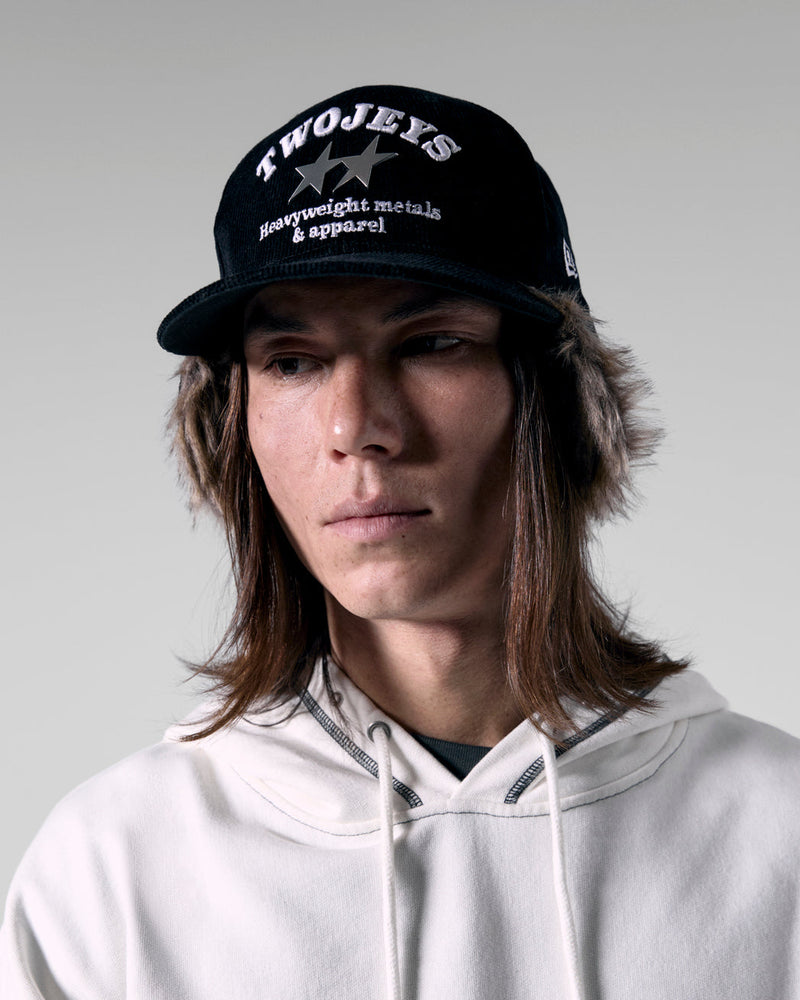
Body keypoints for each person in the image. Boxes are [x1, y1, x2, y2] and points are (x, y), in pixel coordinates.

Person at [1, 84, 798, 1000]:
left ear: (556, 403)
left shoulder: (777, 835)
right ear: (234, 427)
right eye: (292, 361)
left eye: (429, 344)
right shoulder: (113, 869)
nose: (357, 428)